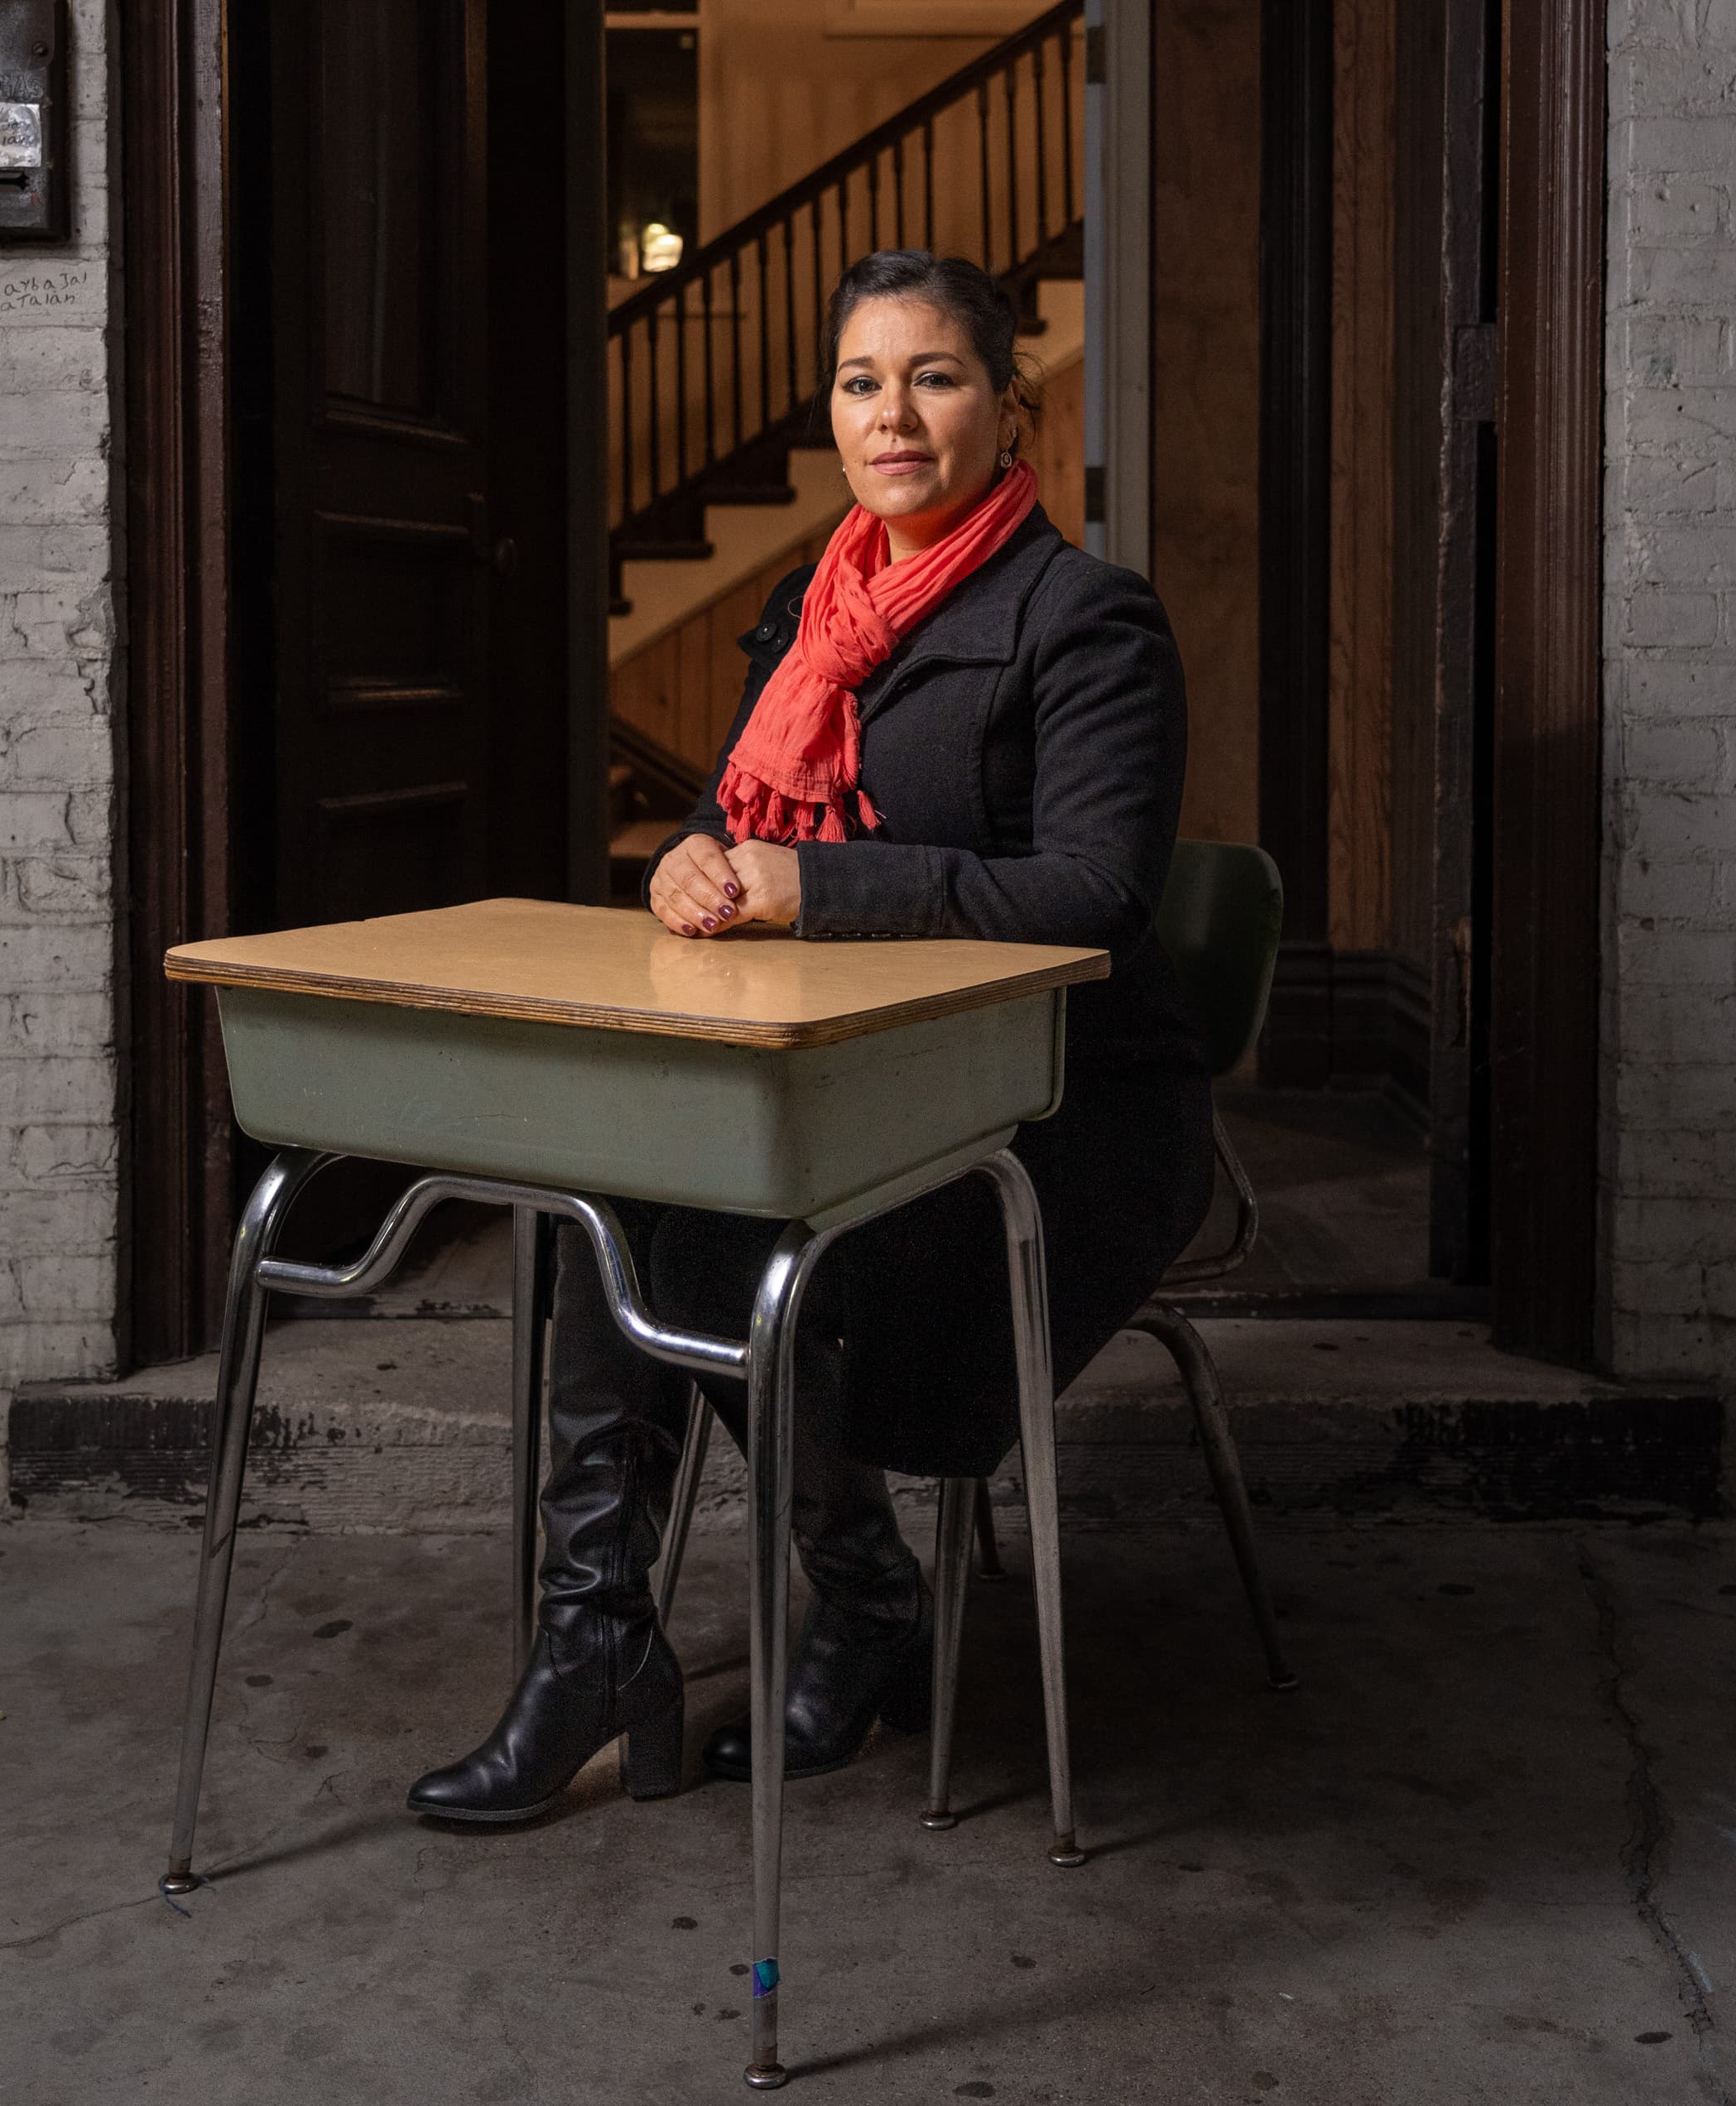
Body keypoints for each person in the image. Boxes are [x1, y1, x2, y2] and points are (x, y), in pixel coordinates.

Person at [407, 251, 1213, 1823]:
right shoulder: (810, 615)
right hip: (848, 1088)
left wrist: (813, 885)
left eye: (935, 375)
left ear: (1004, 402)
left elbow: (1097, 894)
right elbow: (736, 825)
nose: (893, 412)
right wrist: (692, 861)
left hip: (1059, 1117)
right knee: (612, 1192)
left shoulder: (1087, 617)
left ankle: (854, 1603)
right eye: (861, 380)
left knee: (695, 1238)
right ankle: (596, 1640)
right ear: (833, 414)